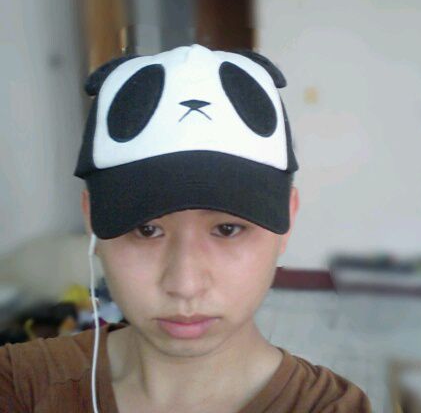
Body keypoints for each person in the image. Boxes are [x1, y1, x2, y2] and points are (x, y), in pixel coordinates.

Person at [0, 44, 372, 412]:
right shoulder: (19, 385)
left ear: (287, 220)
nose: (185, 285)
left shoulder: (331, 407)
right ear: (92, 220)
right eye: (147, 230)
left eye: (227, 229)